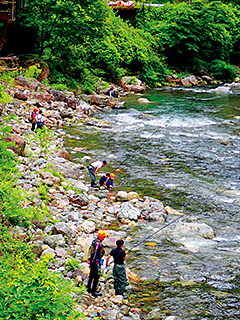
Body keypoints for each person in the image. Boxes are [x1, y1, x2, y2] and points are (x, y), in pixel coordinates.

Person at [87, 230, 109, 296]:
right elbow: (95, 253)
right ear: (101, 237)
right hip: (95, 262)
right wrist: (93, 262)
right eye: (104, 237)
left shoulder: (94, 241)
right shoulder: (98, 244)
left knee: (91, 275)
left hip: (93, 261)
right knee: (96, 276)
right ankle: (93, 290)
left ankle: (88, 288)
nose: (104, 238)